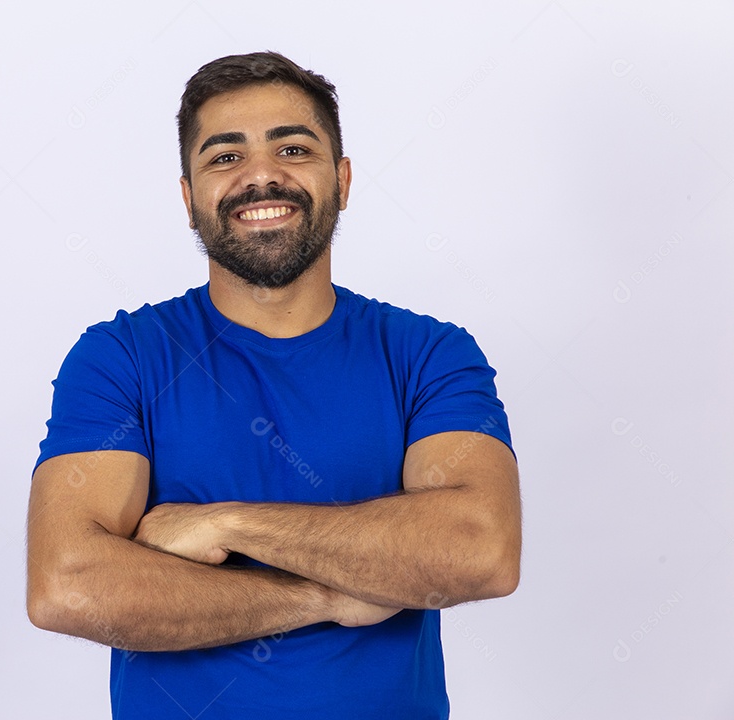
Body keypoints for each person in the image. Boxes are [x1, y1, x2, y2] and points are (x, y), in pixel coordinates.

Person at [27, 50, 521, 719]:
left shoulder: (428, 354)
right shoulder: (121, 358)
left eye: (293, 148)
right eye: (225, 157)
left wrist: (227, 525)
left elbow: (479, 550)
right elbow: (68, 585)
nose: (262, 176)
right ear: (189, 196)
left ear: (342, 180)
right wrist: (320, 596)